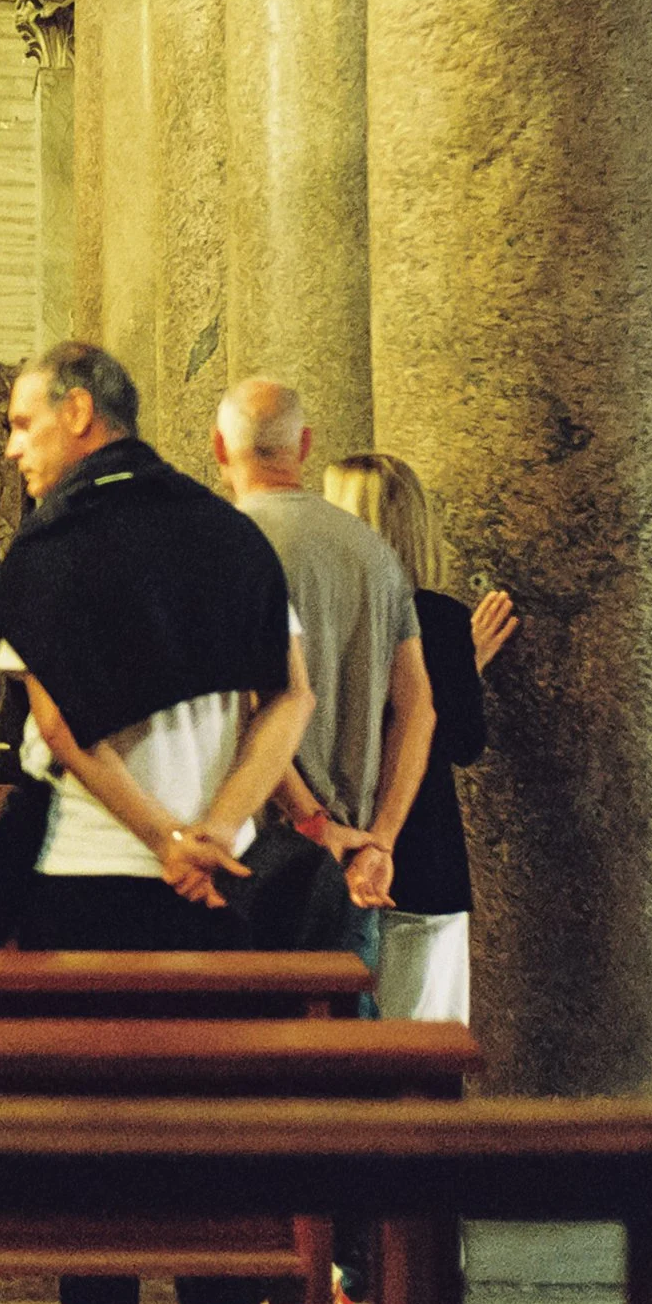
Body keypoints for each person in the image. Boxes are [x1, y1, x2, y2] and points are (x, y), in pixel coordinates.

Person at [0, 342, 315, 955]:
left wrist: (166, 842)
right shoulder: (229, 531)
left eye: (24, 424)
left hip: (86, 876)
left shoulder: (50, 544)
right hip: (220, 880)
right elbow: (292, 696)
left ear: (79, 411)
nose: (12, 448)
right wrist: (216, 828)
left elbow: (58, 726)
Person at [212, 379, 437, 974]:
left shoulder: (225, 546)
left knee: (247, 1052)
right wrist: (380, 838)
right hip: (354, 865)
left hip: (253, 850)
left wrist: (313, 821)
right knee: (341, 1044)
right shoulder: (373, 551)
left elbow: (244, 706)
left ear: (218, 447)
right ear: (305, 444)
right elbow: (419, 707)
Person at [324, 451, 520, 1023]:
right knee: (426, 1051)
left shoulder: (330, 614)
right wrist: (464, 666)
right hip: (428, 859)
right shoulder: (439, 620)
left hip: (343, 848)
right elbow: (462, 741)